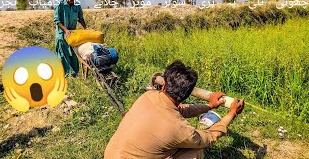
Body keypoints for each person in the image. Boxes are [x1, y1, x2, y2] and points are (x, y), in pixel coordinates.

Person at [104, 60, 244, 159]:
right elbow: (210, 136)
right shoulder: (180, 129)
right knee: (195, 153)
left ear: (163, 86)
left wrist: (210, 106)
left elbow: (179, 110)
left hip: (110, 155)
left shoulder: (148, 96)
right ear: (187, 95)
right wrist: (232, 113)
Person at [54, 0, 87, 77]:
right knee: (63, 56)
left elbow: (80, 19)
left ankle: (74, 75)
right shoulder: (60, 5)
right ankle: (65, 75)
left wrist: (86, 28)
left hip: (73, 36)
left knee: (73, 55)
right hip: (62, 35)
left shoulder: (77, 6)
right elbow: (57, 21)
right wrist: (65, 30)